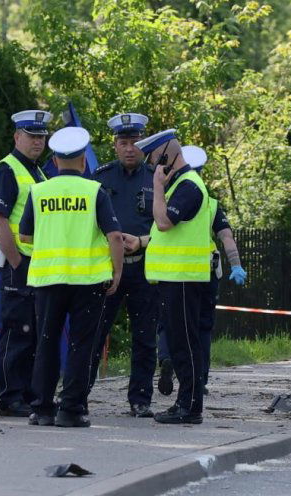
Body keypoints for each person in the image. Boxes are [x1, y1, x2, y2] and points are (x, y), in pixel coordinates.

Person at [18, 126, 125, 428]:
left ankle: (41, 409)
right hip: (88, 282)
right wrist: (117, 272)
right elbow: (115, 236)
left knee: (46, 343)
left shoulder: (38, 192)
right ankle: (71, 409)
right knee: (81, 344)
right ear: (82, 161)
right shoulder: (94, 192)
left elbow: (24, 235)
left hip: (48, 281)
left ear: (54, 162)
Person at [154, 152, 246, 396]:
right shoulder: (210, 203)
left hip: (173, 271)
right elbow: (226, 236)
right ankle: (200, 378)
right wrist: (235, 264)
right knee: (201, 327)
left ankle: (166, 358)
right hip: (204, 271)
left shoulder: (168, 199)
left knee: (169, 323)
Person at [135, 129, 210, 424]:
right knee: (179, 342)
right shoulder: (178, 185)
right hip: (173, 277)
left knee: (185, 343)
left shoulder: (189, 186)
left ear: (167, 154)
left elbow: (164, 223)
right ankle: (185, 403)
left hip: (183, 277)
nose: (153, 165)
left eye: (154, 157)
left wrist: (156, 186)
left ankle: (190, 406)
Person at [89, 113, 160, 418]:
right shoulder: (101, 178)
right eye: (123, 142)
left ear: (143, 145)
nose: (129, 148)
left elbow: (168, 226)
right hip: (107, 269)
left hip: (145, 267)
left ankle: (140, 398)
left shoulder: (158, 178)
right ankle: (79, 394)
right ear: (115, 146)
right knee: (92, 332)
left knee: (144, 337)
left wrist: (142, 240)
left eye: (134, 142)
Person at [0, 109, 51, 417]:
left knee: (34, 331)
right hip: (18, 262)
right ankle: (10, 398)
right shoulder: (7, 169)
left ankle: (26, 394)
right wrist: (14, 261)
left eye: (41, 136)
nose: (38, 141)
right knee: (17, 330)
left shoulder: (38, 172)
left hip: (36, 263)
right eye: (32, 136)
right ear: (17, 136)